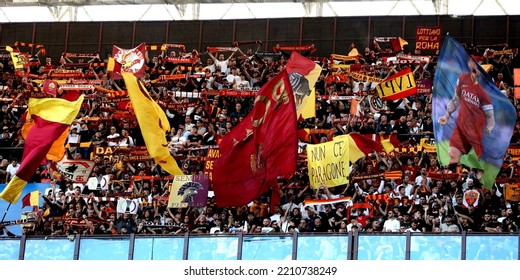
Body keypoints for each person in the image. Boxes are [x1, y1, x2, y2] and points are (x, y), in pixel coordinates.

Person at [437, 58, 495, 174]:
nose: (473, 66)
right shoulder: (463, 79)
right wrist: (446, 115)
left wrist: (489, 127)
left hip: (475, 133)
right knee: (453, 153)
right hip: (461, 128)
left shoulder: (484, 93)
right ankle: (452, 181)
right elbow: (455, 100)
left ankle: (479, 185)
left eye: (477, 65)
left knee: (477, 165)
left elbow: (490, 117)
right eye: (471, 62)